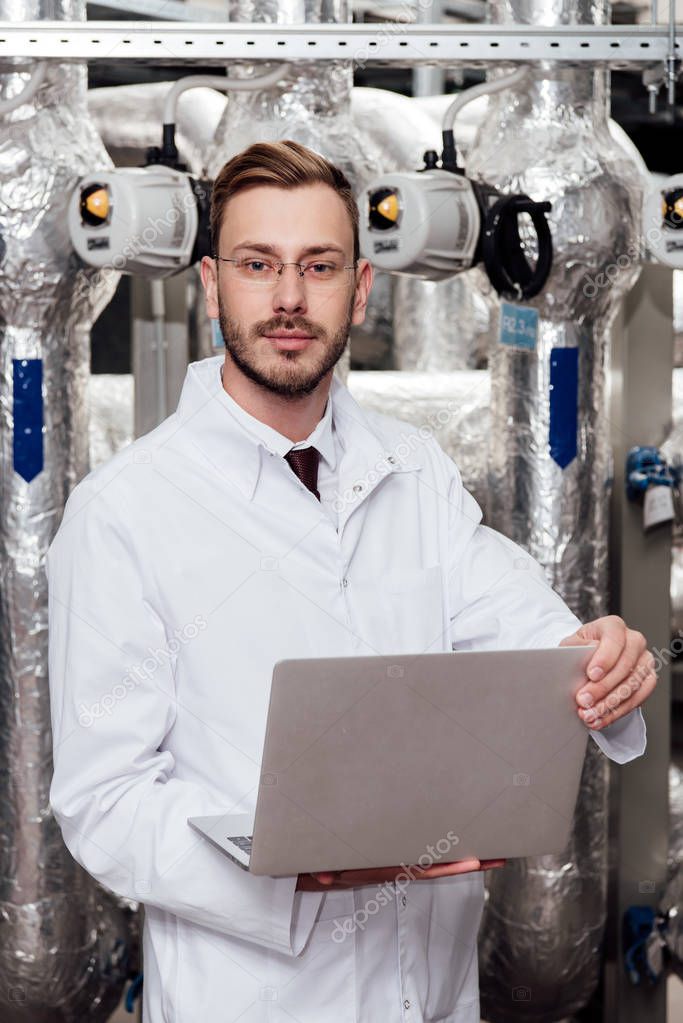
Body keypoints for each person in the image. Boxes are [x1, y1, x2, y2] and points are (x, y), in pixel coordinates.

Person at [47, 140, 656, 1023]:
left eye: (319, 266)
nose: (289, 298)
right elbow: (103, 801)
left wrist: (602, 663)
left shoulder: (412, 471)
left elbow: (537, 644)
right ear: (212, 286)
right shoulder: (124, 513)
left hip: (433, 995)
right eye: (259, 265)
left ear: (361, 289)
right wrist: (298, 871)